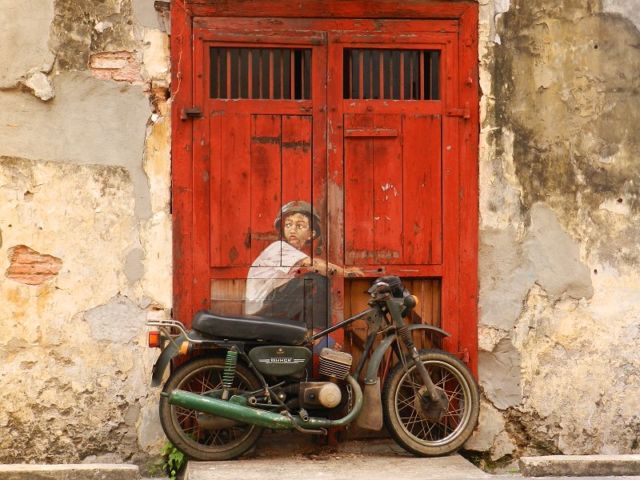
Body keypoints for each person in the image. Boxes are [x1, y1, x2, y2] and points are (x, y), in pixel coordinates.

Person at [244, 201, 362, 329]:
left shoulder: (291, 254)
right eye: (288, 225)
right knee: (315, 279)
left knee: (306, 290)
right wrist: (345, 272)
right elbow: (315, 265)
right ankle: (317, 335)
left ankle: (305, 334)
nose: (292, 229)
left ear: (311, 234)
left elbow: (315, 263)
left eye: (299, 226)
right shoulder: (279, 247)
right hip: (262, 308)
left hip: (268, 306)